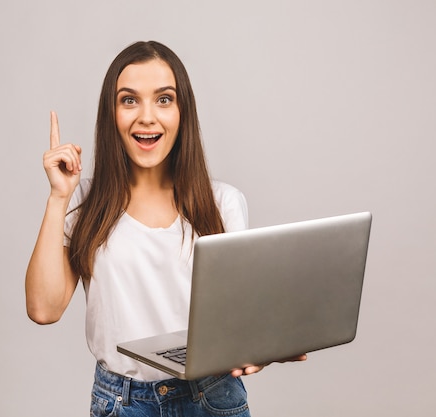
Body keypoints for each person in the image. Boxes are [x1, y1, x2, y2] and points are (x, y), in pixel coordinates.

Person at [26, 40, 306, 417]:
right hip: (123, 403)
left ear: (182, 112)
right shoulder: (84, 201)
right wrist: (59, 199)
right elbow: (44, 308)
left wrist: (265, 349)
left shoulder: (222, 202)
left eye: (163, 99)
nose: (146, 117)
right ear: (112, 114)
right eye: (129, 100)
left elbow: (243, 321)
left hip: (212, 395)